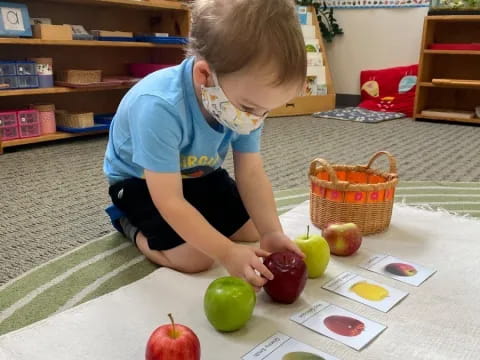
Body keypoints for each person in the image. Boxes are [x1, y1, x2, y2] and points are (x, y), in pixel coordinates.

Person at [104, 0, 307, 290]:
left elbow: (250, 173)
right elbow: (169, 200)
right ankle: (128, 224)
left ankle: (204, 223)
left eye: (266, 111)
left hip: (199, 174)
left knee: (251, 230)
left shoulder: (243, 103)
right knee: (196, 258)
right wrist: (225, 252)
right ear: (204, 75)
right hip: (141, 182)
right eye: (250, 107)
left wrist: (271, 232)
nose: (256, 119)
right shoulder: (158, 106)